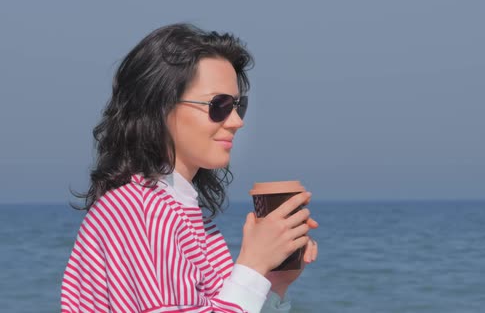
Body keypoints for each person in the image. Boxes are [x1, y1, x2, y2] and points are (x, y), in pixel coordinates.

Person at [61, 23, 319, 313]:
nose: (236, 121)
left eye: (238, 105)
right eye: (218, 105)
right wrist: (254, 265)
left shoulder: (185, 216)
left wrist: (272, 282)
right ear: (159, 106)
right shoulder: (138, 210)